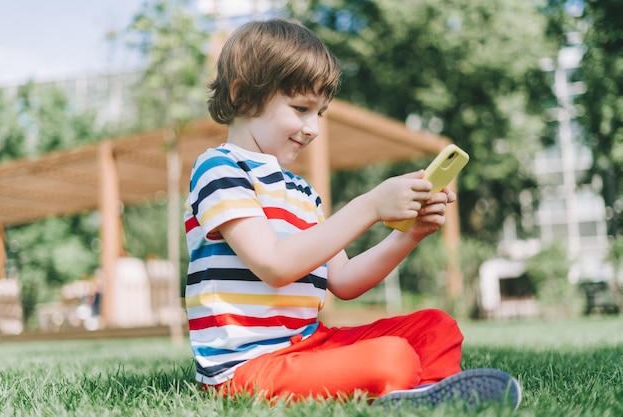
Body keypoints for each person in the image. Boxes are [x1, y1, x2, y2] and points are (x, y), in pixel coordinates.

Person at [184, 18, 521, 409]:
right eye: (300, 108)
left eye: (319, 113)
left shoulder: (301, 192)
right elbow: (274, 265)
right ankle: (408, 387)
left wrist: (408, 235)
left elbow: (343, 281)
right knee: (391, 356)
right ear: (243, 96)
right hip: (247, 368)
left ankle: (418, 394)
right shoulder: (220, 169)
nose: (312, 128)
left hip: (308, 345)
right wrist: (369, 206)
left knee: (436, 327)